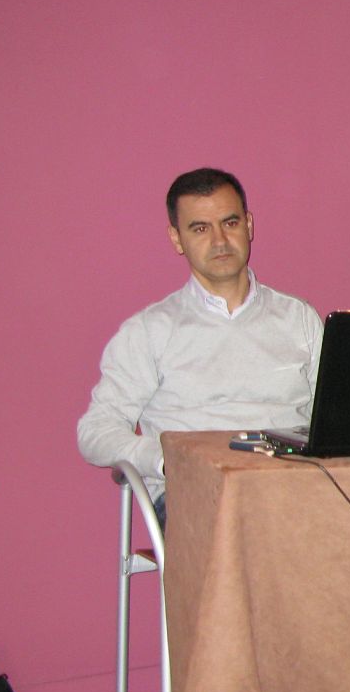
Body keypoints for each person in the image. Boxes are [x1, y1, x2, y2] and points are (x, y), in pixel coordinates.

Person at [77, 168, 323, 519]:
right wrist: (166, 461)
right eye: (200, 228)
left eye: (230, 222)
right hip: (198, 497)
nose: (220, 240)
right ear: (177, 239)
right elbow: (95, 431)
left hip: (294, 488)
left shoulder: (299, 319)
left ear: (249, 226)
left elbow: (336, 415)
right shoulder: (149, 331)